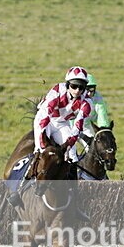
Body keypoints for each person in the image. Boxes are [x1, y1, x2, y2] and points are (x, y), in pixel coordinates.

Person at [11, 66, 93, 221]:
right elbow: (44, 119)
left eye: (81, 87)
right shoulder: (57, 91)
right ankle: (19, 189)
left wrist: (66, 147)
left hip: (61, 123)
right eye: (74, 86)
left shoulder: (87, 102)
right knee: (40, 151)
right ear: (68, 84)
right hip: (45, 120)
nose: (77, 90)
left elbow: (77, 127)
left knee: (73, 157)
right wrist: (42, 144)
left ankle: (75, 205)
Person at [81, 72, 112, 141]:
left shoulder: (97, 97)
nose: (89, 93)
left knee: (93, 143)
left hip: (85, 126)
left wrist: (104, 129)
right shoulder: (75, 95)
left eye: (92, 90)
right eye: (87, 90)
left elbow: (102, 113)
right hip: (69, 126)